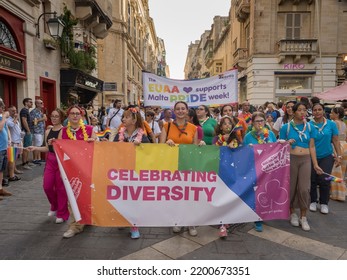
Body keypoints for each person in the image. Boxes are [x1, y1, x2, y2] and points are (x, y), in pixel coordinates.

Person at [279, 102, 323, 231]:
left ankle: (303, 217)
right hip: (291, 159)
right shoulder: (286, 127)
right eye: (299, 110)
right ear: (293, 111)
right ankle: (292, 213)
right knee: (291, 188)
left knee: (304, 189)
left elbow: (312, 146)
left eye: (304, 110)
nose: (302, 112)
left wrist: (315, 164)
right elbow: (280, 145)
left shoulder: (310, 127)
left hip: (305, 160)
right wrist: (287, 143)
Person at [159, 101, 199, 236]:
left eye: (183, 109)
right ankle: (178, 220)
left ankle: (191, 222)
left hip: (188, 165)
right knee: (176, 195)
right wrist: (166, 143)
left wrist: (202, 145)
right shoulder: (167, 126)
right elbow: (160, 148)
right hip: (172, 166)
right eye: (178, 109)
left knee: (189, 194)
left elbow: (195, 148)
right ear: (174, 111)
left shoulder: (194, 128)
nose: (181, 111)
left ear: (187, 111)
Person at [58, 105, 97, 238]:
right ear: (68, 116)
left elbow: (98, 147)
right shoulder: (63, 131)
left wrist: (93, 141)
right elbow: (59, 148)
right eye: (72, 113)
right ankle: (75, 225)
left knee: (86, 195)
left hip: (86, 169)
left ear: (82, 116)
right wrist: (53, 143)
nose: (75, 116)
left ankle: (86, 217)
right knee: (72, 196)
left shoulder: (90, 130)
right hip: (70, 170)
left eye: (77, 113)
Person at [27, 109, 69, 223]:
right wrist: (35, 148)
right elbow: (47, 148)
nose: (54, 118)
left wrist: (55, 142)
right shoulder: (47, 131)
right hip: (50, 160)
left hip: (60, 161)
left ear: (61, 118)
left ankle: (62, 213)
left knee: (61, 188)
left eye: (57, 116)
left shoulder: (64, 130)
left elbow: (63, 148)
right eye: (52, 116)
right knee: (47, 186)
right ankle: (54, 206)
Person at [113, 107, 150, 239]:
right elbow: (112, 149)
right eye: (123, 117)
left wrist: (140, 147)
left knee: (133, 198)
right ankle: (123, 219)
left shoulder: (142, 136)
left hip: (136, 172)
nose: (123, 119)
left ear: (134, 120)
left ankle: (134, 225)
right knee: (122, 197)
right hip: (122, 171)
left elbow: (150, 152)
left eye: (127, 117)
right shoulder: (119, 134)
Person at [243, 112, 277, 232]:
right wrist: (249, 149)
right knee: (257, 192)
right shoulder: (248, 136)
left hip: (268, 168)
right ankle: (258, 219)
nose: (260, 123)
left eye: (262, 121)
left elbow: (275, 148)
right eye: (257, 121)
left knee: (266, 191)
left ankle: (264, 213)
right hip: (254, 168)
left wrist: (282, 143)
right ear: (252, 123)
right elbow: (243, 153)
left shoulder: (270, 134)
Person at [212, 115, 243, 238]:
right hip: (219, 170)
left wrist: (234, 146)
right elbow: (213, 149)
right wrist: (221, 141)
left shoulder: (236, 138)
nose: (227, 126)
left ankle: (226, 220)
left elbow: (241, 152)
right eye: (224, 124)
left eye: (229, 123)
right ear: (220, 127)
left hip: (232, 171)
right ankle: (222, 223)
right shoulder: (216, 138)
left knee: (229, 194)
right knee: (220, 194)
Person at [309, 103, 342, 214]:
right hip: (311, 156)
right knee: (312, 179)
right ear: (312, 112)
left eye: (319, 109)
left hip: (327, 156)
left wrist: (339, 155)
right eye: (315, 110)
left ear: (323, 111)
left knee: (324, 180)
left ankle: (324, 203)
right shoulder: (308, 125)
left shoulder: (331, 124)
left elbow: (336, 140)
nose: (317, 112)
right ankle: (313, 201)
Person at [330, 106, 347, 201]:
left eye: (332, 113)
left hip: (338, 147)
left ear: (337, 114)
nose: (330, 114)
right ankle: (343, 192)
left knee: (334, 172)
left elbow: (333, 137)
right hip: (345, 146)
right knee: (343, 173)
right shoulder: (344, 124)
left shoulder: (334, 123)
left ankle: (337, 194)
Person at [6, 105, 23, 181]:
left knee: (15, 158)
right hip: (12, 141)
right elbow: (12, 125)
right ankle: (11, 174)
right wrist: (16, 118)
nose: (15, 112)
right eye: (13, 111)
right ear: (8, 111)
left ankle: (14, 170)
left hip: (18, 140)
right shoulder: (7, 119)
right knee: (11, 159)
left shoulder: (14, 119)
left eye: (15, 110)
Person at [0, 99, 12, 199]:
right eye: (1, 107)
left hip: (3, 147)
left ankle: (0, 189)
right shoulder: (2, 117)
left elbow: (5, 128)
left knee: (1, 170)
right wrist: (4, 117)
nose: (3, 108)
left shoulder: (1, 117)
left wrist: (9, 139)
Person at [29, 99, 47, 164]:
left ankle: (38, 158)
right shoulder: (33, 112)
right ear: (37, 104)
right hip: (36, 131)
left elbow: (44, 119)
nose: (43, 104)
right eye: (41, 103)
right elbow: (33, 121)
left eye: (42, 102)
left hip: (41, 130)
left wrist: (44, 118)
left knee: (39, 145)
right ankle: (35, 159)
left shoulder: (40, 111)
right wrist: (43, 119)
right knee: (36, 145)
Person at [20, 97, 35, 170]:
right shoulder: (24, 110)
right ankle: (24, 163)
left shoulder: (27, 110)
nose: (32, 103)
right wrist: (28, 130)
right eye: (30, 102)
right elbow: (24, 120)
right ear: (26, 103)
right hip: (26, 131)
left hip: (29, 131)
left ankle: (27, 162)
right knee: (26, 148)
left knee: (28, 147)